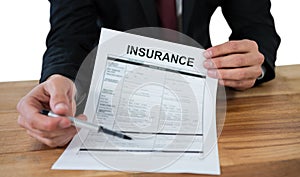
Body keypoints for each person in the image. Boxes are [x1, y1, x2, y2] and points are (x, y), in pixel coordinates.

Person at [17, 0, 280, 147]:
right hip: (116, 94)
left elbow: (258, 28)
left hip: (205, 94)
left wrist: (254, 65)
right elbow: (69, 36)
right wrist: (59, 78)